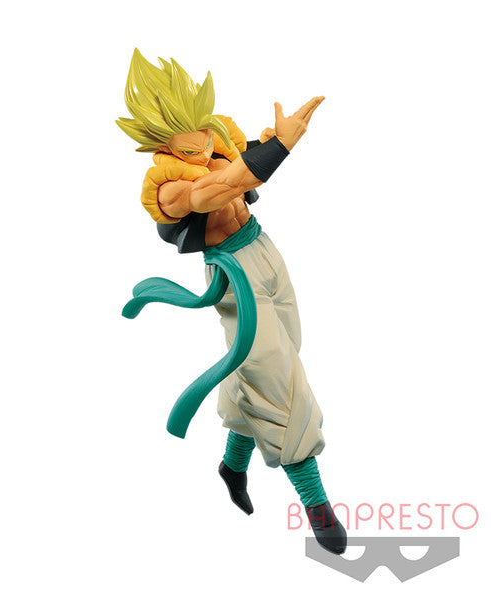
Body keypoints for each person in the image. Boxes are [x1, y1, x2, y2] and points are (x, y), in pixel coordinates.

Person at [118, 49, 346, 554]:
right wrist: (281, 147)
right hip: (233, 272)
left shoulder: (214, 136)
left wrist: (268, 140)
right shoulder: (168, 188)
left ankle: (233, 463)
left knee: (279, 360)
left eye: (205, 137)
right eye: (190, 145)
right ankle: (315, 500)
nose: (204, 149)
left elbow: (238, 159)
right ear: (163, 144)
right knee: (279, 380)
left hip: (264, 249)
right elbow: (225, 184)